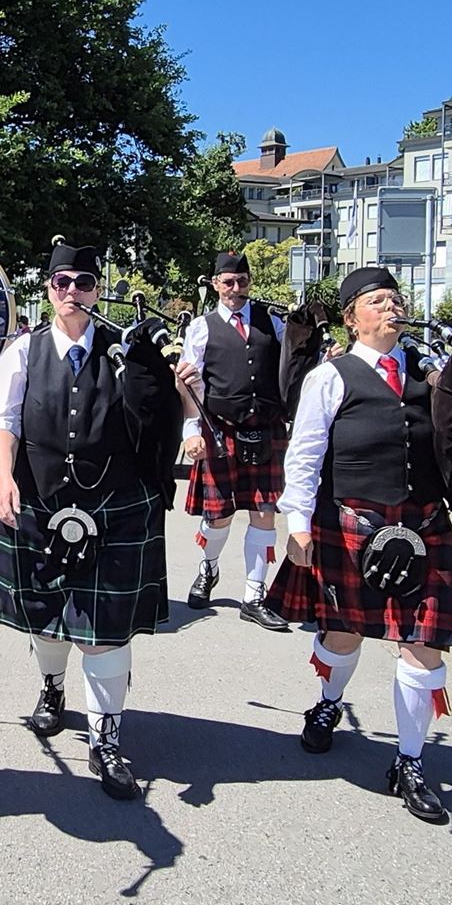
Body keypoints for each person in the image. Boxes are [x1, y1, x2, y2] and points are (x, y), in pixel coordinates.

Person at [264, 265, 452, 824]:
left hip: (422, 526)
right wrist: (297, 522)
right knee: (342, 633)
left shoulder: (431, 376)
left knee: (423, 646)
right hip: (350, 524)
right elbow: (305, 453)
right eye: (377, 301)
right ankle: (329, 703)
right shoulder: (330, 378)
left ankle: (409, 762)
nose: (391, 307)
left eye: (395, 299)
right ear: (352, 318)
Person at [0, 239, 180, 801]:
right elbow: (4, 421)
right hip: (39, 501)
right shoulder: (25, 350)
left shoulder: (125, 350)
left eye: (84, 283)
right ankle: (53, 687)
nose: (73, 292)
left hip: (114, 505)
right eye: (62, 283)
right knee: (44, 618)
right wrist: (3, 477)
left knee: (105, 632)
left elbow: (160, 416)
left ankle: (106, 740)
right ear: (49, 289)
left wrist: (172, 381)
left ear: (97, 290)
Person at [174, 249, 291, 630]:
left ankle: (254, 595)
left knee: (264, 512)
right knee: (218, 516)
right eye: (228, 282)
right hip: (220, 428)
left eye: (242, 281)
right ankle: (208, 568)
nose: (236, 289)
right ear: (215, 284)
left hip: (267, 427)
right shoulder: (201, 328)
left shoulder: (273, 323)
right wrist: (191, 433)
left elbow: (294, 365)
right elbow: (189, 384)